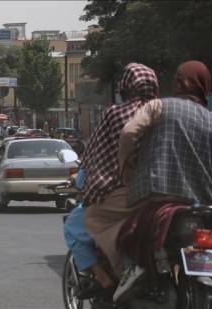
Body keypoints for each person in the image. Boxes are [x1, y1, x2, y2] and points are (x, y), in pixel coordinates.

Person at [113, 61, 212, 302]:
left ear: (177, 82)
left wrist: (128, 167)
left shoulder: (158, 106)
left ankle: (132, 274)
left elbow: (128, 133)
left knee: (127, 234)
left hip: (157, 198)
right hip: (202, 204)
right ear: (205, 86)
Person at [65, 63, 159, 297]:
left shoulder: (116, 114)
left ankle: (105, 280)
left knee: (74, 228)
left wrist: (80, 181)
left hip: (118, 194)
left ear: (126, 86)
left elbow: (95, 157)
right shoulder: (163, 114)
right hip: (159, 194)